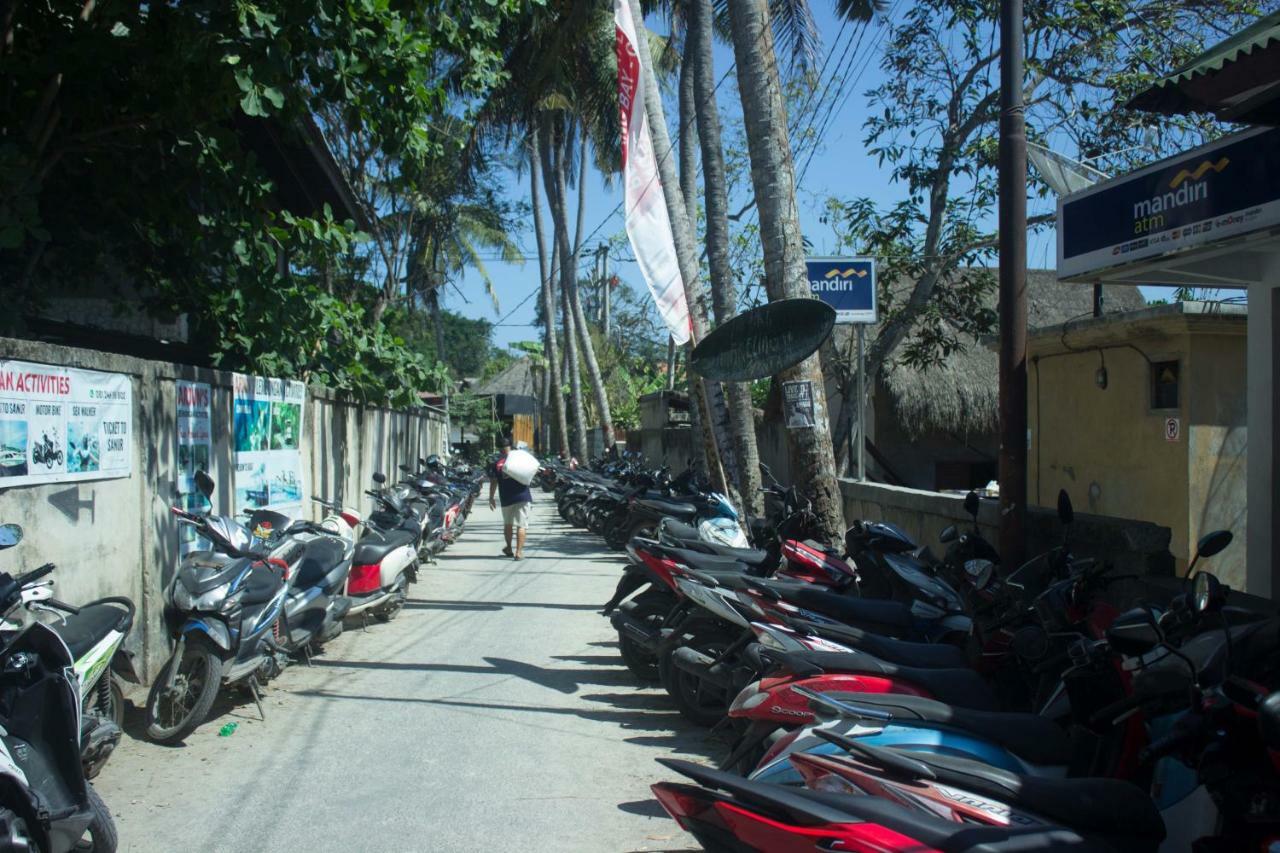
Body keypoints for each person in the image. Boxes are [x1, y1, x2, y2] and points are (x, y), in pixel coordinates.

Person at [488, 436, 532, 560]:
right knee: (521, 525)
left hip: (506, 498)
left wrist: (491, 498)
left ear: (499, 449)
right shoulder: (520, 458)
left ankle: (509, 547)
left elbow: (494, 482)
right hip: (523, 496)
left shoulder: (497, 463)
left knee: (508, 525)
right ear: (511, 446)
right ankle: (518, 552)